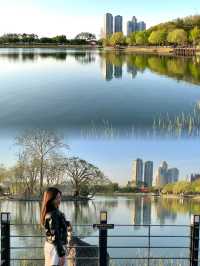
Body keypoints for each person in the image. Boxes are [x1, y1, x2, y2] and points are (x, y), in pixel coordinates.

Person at [40, 187, 71, 266]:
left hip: (52, 246)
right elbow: (55, 235)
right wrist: (61, 254)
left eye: (60, 197)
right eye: (57, 197)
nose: (59, 200)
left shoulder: (51, 212)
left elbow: (53, 228)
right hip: (56, 248)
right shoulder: (54, 214)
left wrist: (66, 223)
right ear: (50, 199)